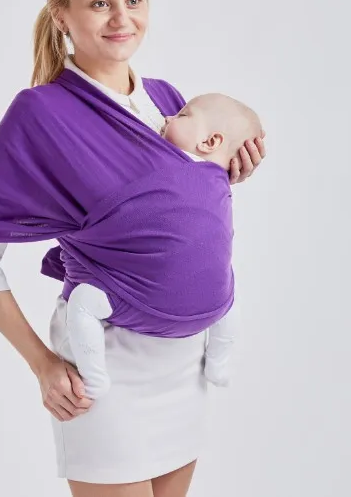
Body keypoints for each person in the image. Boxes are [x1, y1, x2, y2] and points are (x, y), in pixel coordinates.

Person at [0, 0, 266, 497]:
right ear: (61, 14)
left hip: (187, 365)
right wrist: (43, 364)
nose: (122, 18)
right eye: (100, 3)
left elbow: (166, 220)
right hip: (104, 370)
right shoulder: (40, 115)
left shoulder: (169, 101)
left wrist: (228, 177)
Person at [66, 93, 262, 399]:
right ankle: (218, 363)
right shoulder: (219, 181)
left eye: (182, 116)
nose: (168, 117)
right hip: (211, 308)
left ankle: (94, 377)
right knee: (230, 300)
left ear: (210, 141)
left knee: (82, 303)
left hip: (142, 301)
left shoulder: (157, 164)